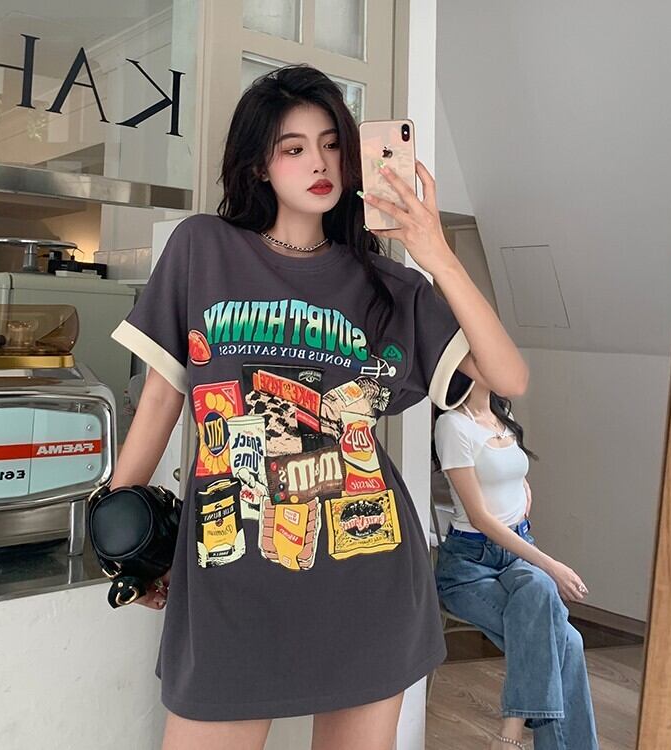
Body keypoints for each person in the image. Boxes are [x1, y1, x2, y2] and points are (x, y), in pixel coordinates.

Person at [109, 63, 528, 750]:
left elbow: (508, 374)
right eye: (294, 147)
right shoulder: (203, 248)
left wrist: (434, 253)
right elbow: (161, 395)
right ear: (258, 165)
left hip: (366, 571)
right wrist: (123, 533)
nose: (319, 163)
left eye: (332, 144)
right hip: (230, 576)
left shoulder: (385, 285)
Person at [433, 383, 599, 750]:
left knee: (540, 593)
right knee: (568, 642)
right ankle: (513, 732)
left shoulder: (503, 415)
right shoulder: (452, 425)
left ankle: (510, 732)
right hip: (470, 564)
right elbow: (479, 518)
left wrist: (523, 491)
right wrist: (552, 566)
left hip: (518, 549)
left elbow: (511, 474)